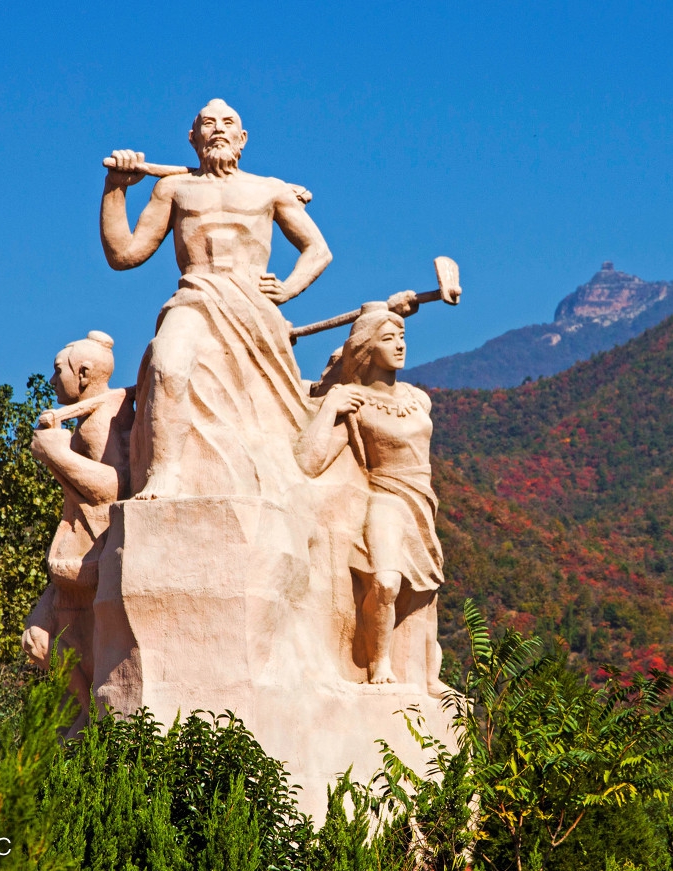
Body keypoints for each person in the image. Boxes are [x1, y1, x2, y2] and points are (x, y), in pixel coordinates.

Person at [100, 99, 332, 499]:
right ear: (193, 138)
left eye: (228, 122)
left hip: (254, 306)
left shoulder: (270, 189)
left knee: (264, 409)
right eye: (209, 123)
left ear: (243, 139)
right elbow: (124, 255)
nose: (219, 129)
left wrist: (288, 288)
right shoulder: (174, 188)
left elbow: (318, 250)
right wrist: (115, 188)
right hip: (196, 297)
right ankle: (165, 472)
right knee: (166, 364)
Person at [295, 303, 448, 693]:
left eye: (402, 337)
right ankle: (377, 662)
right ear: (366, 347)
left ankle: (427, 674)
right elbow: (309, 462)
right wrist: (329, 407)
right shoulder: (355, 403)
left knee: (424, 591)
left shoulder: (419, 398)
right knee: (385, 581)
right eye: (388, 338)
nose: (399, 345)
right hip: (384, 499)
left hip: (422, 501)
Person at [24, 331, 134, 734]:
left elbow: (114, 485)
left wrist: (55, 453)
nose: (53, 380)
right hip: (73, 564)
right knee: (36, 641)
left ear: (84, 373)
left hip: (91, 557)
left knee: (42, 641)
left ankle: (89, 718)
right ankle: (86, 713)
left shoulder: (99, 422)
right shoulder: (90, 418)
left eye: (60, 371)